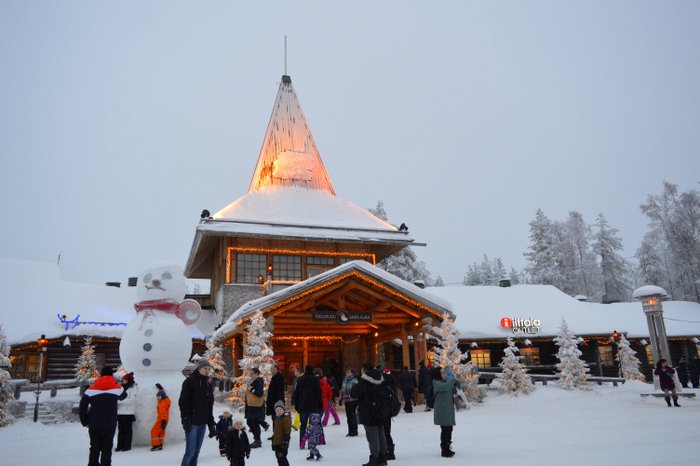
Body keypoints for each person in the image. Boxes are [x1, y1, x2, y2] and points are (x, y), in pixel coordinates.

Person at [79, 366, 126, 466]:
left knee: (94, 447)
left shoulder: (91, 389)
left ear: (101, 374)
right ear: (111, 375)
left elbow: (82, 406)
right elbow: (124, 396)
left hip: (94, 423)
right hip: (109, 423)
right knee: (107, 448)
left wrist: (85, 421)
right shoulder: (117, 388)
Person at [179, 359, 216, 466]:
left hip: (202, 423)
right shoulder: (189, 382)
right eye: (205, 368)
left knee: (196, 453)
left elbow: (209, 407)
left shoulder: (208, 384)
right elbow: (183, 402)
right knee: (190, 453)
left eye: (209, 369)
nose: (207, 371)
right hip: (192, 423)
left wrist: (211, 424)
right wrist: (185, 418)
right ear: (199, 369)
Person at [351, 363, 388, 466]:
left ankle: (375, 458)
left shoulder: (365, 381)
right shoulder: (381, 378)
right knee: (381, 434)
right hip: (380, 411)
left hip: (368, 412)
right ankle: (382, 458)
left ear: (364, 370)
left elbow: (354, 393)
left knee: (372, 436)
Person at [292, 364, 323, 449]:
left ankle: (302, 443)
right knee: (312, 425)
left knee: (303, 425)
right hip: (313, 406)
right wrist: (320, 404)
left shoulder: (300, 379)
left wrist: (297, 405)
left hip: (302, 406)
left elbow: (296, 393)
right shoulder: (315, 379)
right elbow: (318, 393)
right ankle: (311, 443)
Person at [432, 366, 458, 457]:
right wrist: (451, 379)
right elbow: (445, 387)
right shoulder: (436, 382)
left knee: (449, 429)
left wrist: (455, 381)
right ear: (438, 374)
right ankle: (444, 450)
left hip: (448, 410)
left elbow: (457, 387)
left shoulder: (445, 381)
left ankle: (448, 447)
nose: (445, 374)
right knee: (445, 430)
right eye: (442, 373)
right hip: (442, 411)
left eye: (444, 372)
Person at [245, 367, 267, 448]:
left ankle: (257, 440)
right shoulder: (253, 380)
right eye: (250, 373)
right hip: (251, 405)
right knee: (249, 422)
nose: (250, 374)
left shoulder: (258, 381)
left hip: (256, 406)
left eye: (252, 373)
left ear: (257, 373)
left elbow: (259, 393)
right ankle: (256, 439)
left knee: (254, 423)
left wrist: (251, 389)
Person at [115, 372, 136, 452]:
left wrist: (120, 401)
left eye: (124, 380)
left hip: (128, 412)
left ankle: (127, 446)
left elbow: (131, 400)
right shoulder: (121, 388)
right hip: (120, 412)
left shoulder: (133, 388)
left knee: (127, 430)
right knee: (120, 430)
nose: (123, 381)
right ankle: (120, 445)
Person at [380, 368, 397, 461]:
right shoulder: (392, 382)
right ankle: (389, 450)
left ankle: (388, 451)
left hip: (384, 411)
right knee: (387, 432)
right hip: (388, 411)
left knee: (385, 432)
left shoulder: (383, 385)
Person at [150, 384, 171, 451]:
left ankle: (156, 445)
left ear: (161, 396)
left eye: (158, 396)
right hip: (164, 419)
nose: (157, 398)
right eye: (157, 396)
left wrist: (163, 421)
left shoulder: (162, 404)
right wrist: (161, 388)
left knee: (153, 431)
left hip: (162, 419)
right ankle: (160, 444)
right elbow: (163, 393)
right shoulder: (165, 400)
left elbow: (163, 413)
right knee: (161, 432)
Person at [271, 400, 292, 466]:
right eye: (277, 410)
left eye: (280, 409)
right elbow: (275, 432)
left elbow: (287, 430)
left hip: (282, 443)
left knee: (282, 458)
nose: (279, 411)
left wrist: (285, 441)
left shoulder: (286, 419)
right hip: (277, 443)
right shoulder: (277, 419)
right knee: (279, 459)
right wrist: (273, 442)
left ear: (283, 410)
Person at [266, 363, 286, 432]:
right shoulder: (274, 377)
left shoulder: (280, 377)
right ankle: (275, 434)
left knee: (278, 418)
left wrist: (279, 402)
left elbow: (280, 391)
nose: (270, 369)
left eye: (272, 368)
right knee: (274, 418)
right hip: (273, 401)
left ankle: (278, 434)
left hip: (277, 402)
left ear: (276, 368)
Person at [340, 367, 359, 437]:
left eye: (348, 372)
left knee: (352, 415)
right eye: (346, 372)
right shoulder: (344, 380)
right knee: (348, 416)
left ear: (352, 373)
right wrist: (341, 397)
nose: (347, 374)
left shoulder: (355, 380)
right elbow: (342, 389)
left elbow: (356, 390)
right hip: (346, 399)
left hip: (353, 400)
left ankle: (354, 431)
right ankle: (350, 430)